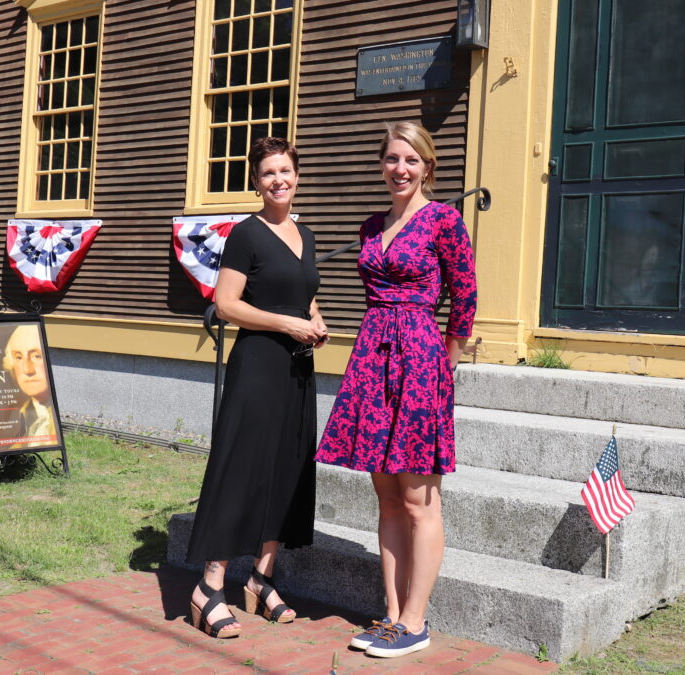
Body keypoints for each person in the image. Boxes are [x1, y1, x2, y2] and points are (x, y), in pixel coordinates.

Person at [315, 122, 477, 658]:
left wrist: (443, 363)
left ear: (427, 166)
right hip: (372, 357)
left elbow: (465, 297)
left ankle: (415, 620)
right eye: (390, 160)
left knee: (417, 499)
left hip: (419, 358)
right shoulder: (370, 226)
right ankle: (390, 614)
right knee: (385, 494)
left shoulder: (444, 220)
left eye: (410, 160)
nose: (399, 169)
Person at [185, 137, 329, 639]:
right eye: (268, 173)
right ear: (255, 181)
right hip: (258, 365)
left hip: (297, 371)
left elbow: (303, 296)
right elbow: (227, 304)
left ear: (297, 175)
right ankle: (209, 587)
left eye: (285, 170)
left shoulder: (305, 235)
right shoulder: (245, 234)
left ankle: (262, 579)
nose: (278, 180)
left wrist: (315, 319)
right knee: (241, 469)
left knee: (286, 469)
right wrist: (288, 325)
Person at [3, 324, 57, 447]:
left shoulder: (52, 416)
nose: (27, 369)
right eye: (18, 357)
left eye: (36, 356)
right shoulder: (17, 417)